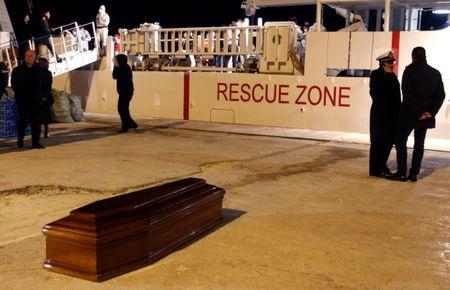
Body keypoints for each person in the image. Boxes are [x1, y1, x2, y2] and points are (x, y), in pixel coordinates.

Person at [389, 47, 446, 182]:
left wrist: (418, 113)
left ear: (413, 57)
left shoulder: (409, 71)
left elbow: (407, 95)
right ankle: (414, 174)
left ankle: (402, 172)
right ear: (425, 56)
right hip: (425, 117)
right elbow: (441, 95)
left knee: (400, 140)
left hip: (409, 115)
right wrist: (430, 112)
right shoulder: (435, 73)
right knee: (419, 144)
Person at [369, 51, 401, 178]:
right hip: (379, 115)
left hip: (391, 116)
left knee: (388, 142)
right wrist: (387, 77)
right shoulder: (376, 75)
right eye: (389, 62)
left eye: (392, 62)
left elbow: (397, 96)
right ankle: (375, 169)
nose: (392, 64)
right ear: (382, 63)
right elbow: (376, 94)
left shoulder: (393, 76)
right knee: (377, 142)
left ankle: (382, 165)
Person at [11, 50, 45, 149]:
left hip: (36, 101)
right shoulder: (17, 70)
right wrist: (19, 94)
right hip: (23, 100)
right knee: (22, 121)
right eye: (26, 56)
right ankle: (20, 141)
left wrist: (42, 96)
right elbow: (14, 84)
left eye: (31, 56)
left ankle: (36, 143)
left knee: (36, 122)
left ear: (34, 58)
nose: (28, 58)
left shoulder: (40, 70)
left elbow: (45, 83)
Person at [112, 54, 138, 133]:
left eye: (116, 60)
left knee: (122, 109)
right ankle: (131, 123)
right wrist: (116, 66)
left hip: (126, 92)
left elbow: (115, 76)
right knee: (124, 109)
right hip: (124, 92)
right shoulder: (123, 67)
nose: (115, 61)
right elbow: (114, 76)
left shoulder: (125, 68)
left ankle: (126, 125)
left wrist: (116, 66)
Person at [38, 58, 53, 138]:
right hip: (47, 96)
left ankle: (39, 132)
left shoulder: (36, 73)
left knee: (39, 115)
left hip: (38, 97)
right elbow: (49, 85)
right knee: (46, 115)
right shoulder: (48, 73)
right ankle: (46, 132)